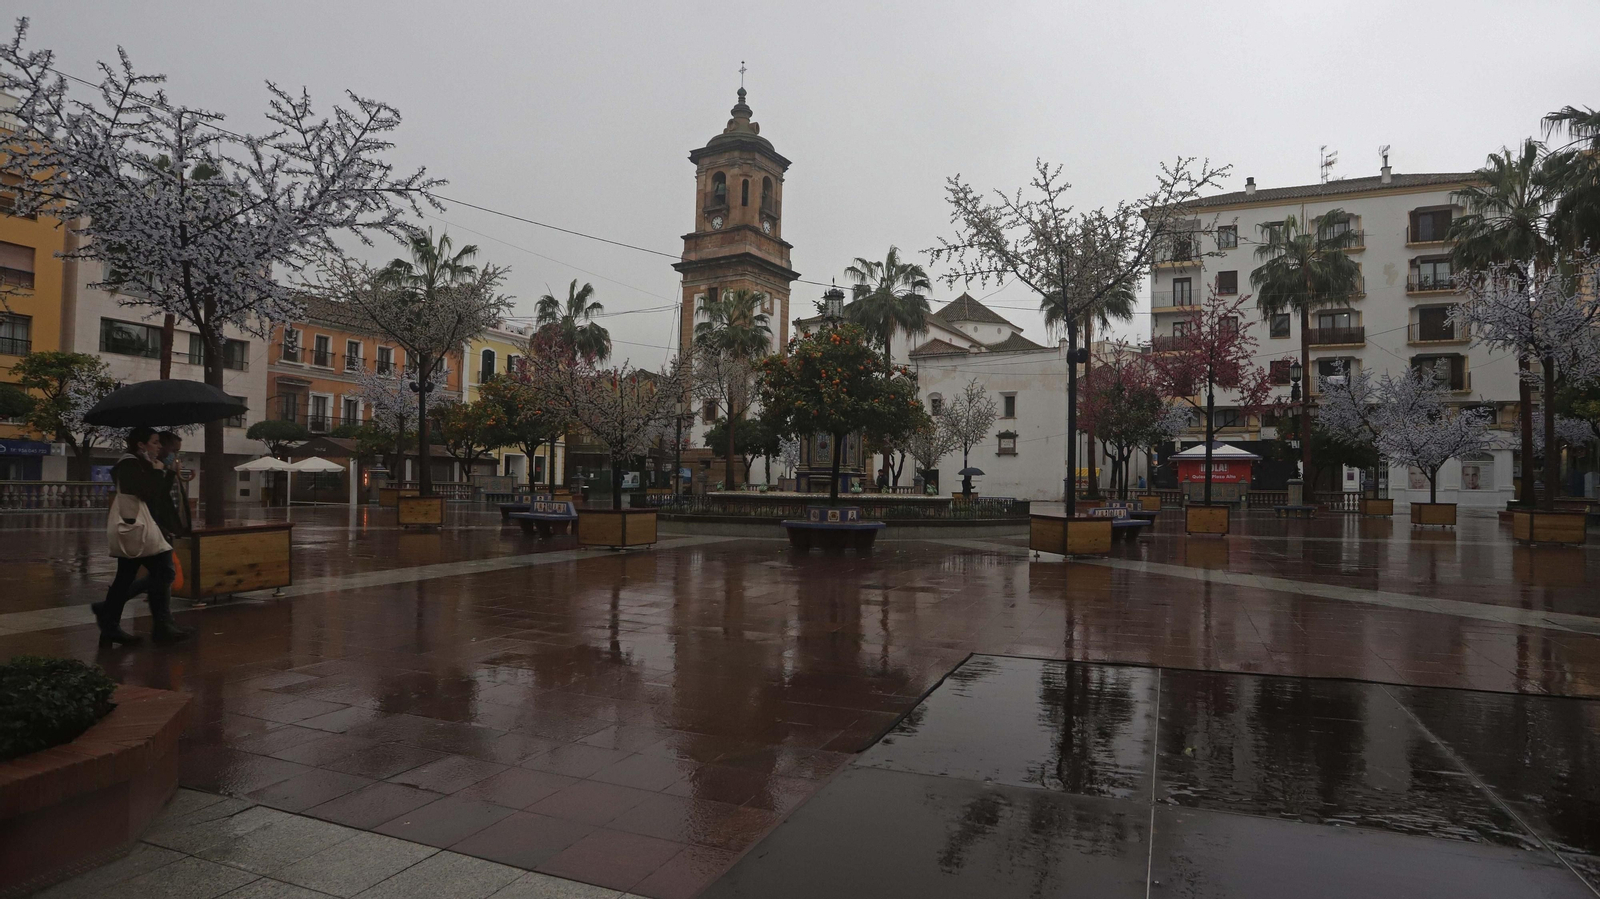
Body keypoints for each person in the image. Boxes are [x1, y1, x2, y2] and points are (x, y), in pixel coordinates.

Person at [91, 426, 193, 646]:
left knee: (128, 577)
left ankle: (112, 622)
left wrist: (164, 472)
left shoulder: (140, 463)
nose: (159, 447)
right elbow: (147, 493)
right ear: (141, 444)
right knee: (163, 571)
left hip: (143, 528)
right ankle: (155, 626)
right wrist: (160, 471)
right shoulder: (128, 464)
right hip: (138, 528)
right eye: (155, 442)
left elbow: (156, 493)